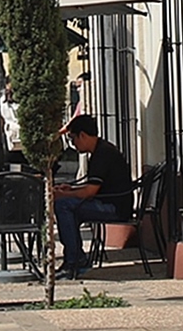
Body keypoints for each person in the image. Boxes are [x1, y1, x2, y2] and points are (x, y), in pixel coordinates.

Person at [52, 115, 133, 279]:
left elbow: (89, 192)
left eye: (73, 138)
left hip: (114, 208)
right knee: (68, 207)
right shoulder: (101, 150)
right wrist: (71, 188)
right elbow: (93, 186)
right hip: (111, 202)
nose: (73, 144)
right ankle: (75, 258)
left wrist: (62, 194)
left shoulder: (102, 154)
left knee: (63, 206)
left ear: (82, 135)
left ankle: (74, 261)